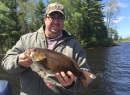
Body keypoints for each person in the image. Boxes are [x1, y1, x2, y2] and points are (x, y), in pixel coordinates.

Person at [1, 2, 91, 95]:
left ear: (63, 20)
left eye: (60, 18)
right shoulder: (26, 39)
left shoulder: (75, 46)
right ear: (45, 18)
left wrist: (71, 84)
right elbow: (6, 63)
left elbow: (84, 78)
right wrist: (18, 62)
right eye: (52, 16)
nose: (56, 21)